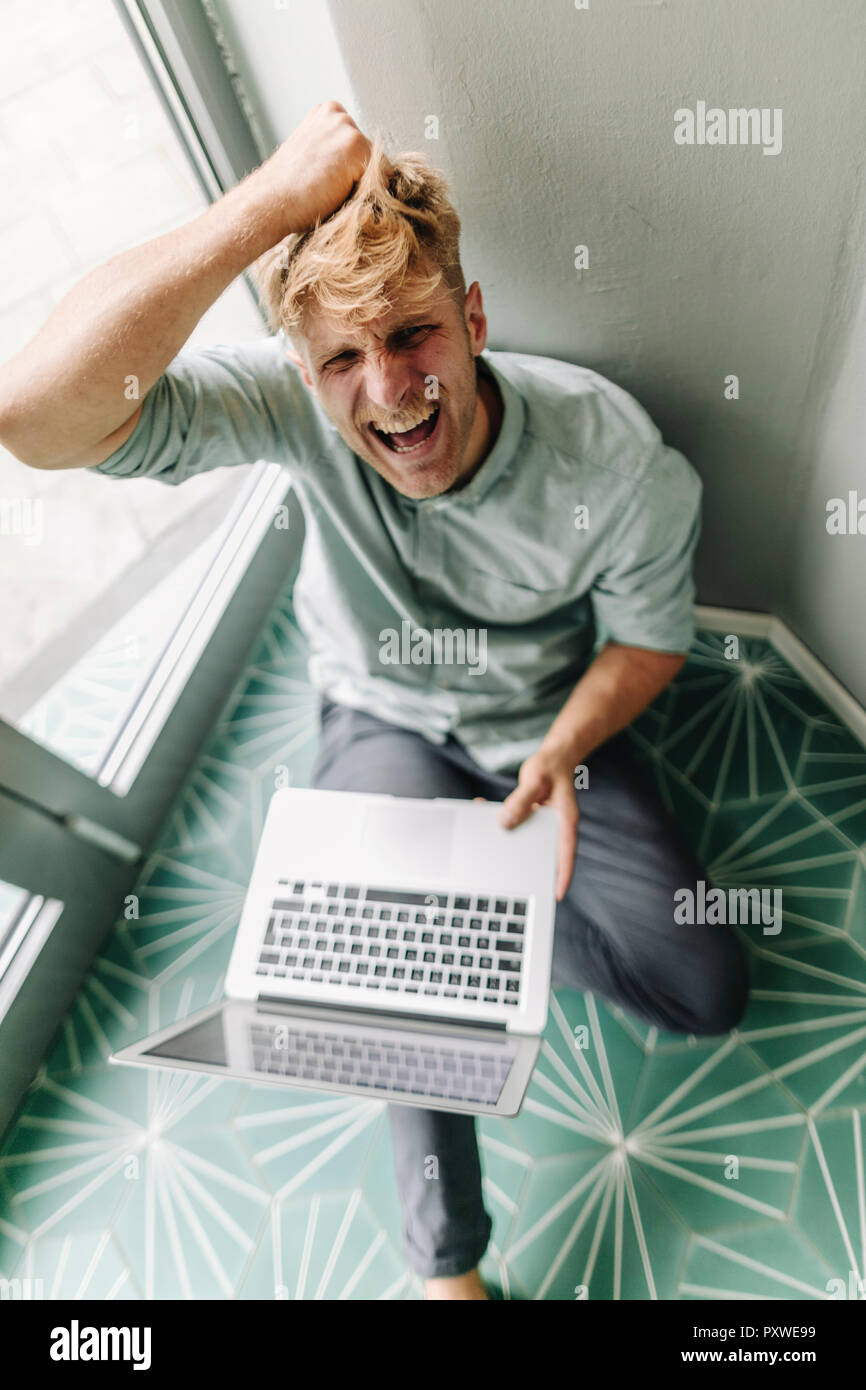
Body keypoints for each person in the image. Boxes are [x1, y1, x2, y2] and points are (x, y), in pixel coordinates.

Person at [0, 102, 749, 1300]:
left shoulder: (610, 457)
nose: (389, 389)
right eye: (343, 357)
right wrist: (258, 210)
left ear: (473, 320)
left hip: (541, 734)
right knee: (400, 994)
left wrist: (560, 752)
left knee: (702, 987)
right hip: (378, 718)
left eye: (412, 335)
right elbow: (35, 414)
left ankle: (442, 931)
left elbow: (650, 645)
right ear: (305, 372)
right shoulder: (294, 408)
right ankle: (445, 1270)